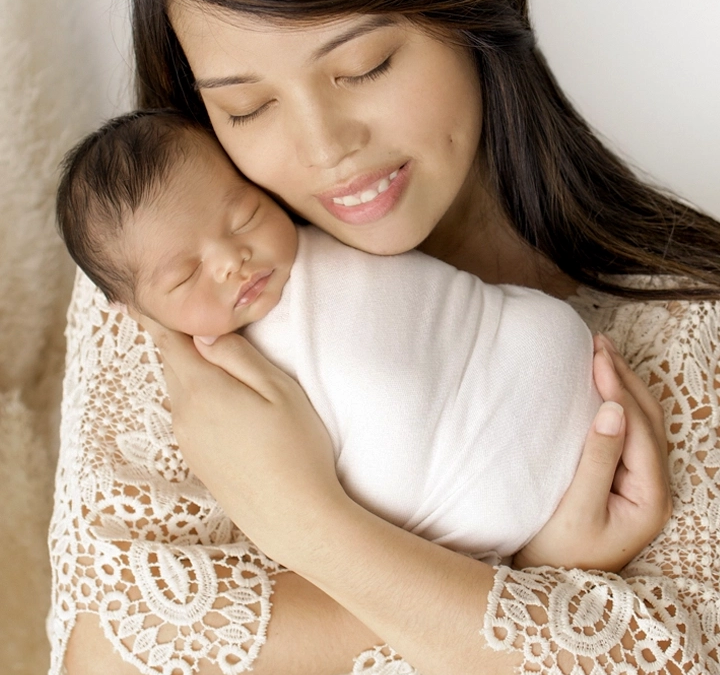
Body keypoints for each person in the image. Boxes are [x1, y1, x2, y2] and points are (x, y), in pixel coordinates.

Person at [48, 0, 720, 675]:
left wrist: (306, 522)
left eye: (362, 67)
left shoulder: (674, 329)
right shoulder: (187, 266)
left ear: (471, 4)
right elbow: (106, 646)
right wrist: (521, 569)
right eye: (245, 105)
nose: (325, 148)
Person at [56, 108, 601, 560]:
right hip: (465, 490)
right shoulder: (218, 384)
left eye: (244, 217)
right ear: (136, 312)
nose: (230, 260)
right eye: (184, 275)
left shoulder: (326, 227)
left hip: (533, 352)